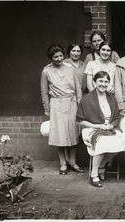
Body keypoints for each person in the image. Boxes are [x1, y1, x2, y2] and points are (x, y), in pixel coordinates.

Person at [40, 44, 84, 175]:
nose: (59, 59)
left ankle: (72, 161)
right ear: (51, 58)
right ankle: (63, 163)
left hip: (71, 103)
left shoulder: (70, 69)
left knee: (73, 133)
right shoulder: (46, 71)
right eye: (55, 57)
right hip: (56, 104)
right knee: (59, 134)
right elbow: (43, 92)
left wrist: (79, 103)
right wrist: (47, 108)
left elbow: (77, 88)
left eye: (60, 56)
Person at [76, 71, 124, 187]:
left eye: (106, 81)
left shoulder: (111, 98)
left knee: (123, 140)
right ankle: (94, 174)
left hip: (108, 128)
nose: (103, 84)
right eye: (100, 81)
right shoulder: (87, 99)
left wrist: (111, 125)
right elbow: (79, 121)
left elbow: (117, 117)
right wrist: (98, 126)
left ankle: (102, 165)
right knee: (101, 141)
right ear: (94, 82)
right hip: (91, 129)